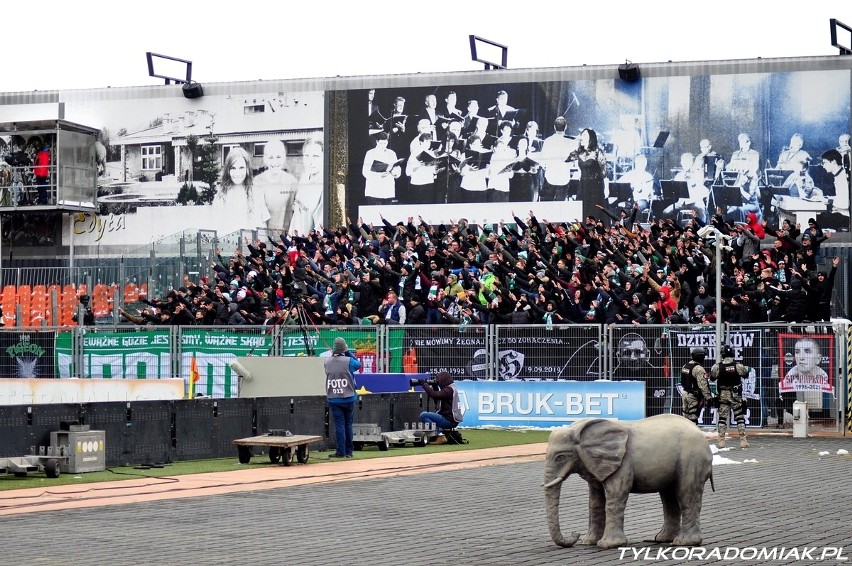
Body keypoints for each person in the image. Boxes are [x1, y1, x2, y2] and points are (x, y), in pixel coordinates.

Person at [213, 147, 269, 232]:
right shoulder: (221, 195)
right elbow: (217, 227)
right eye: (233, 168)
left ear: (247, 169)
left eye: (241, 168)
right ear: (228, 170)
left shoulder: (257, 193)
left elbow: (263, 226)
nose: (237, 173)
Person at [325, 337, 362, 459]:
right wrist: (348, 352)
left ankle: (340, 451)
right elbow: (358, 364)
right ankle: (349, 452)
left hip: (334, 397)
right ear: (344, 349)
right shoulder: (349, 361)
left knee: (339, 425)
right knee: (348, 425)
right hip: (349, 397)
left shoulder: (327, 362)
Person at [709, 345, 749, 448]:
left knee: (722, 418)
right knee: (739, 417)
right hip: (735, 395)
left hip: (723, 395)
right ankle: (743, 440)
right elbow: (745, 374)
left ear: (722, 354)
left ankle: (721, 440)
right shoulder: (738, 366)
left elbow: (712, 378)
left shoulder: (717, 367)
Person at [255, 140, 298, 232]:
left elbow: (295, 214)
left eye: (278, 157)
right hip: (262, 238)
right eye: (271, 157)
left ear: (284, 158)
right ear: (265, 159)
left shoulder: (292, 182)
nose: (275, 162)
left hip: (285, 238)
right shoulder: (257, 182)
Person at [569, 128, 608, 218]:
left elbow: (604, 171)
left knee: (595, 211)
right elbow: (567, 159)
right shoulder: (579, 152)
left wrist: (607, 188)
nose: (582, 136)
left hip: (596, 186)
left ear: (591, 138)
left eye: (585, 135)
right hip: (583, 185)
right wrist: (575, 143)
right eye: (581, 134)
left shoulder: (597, 152)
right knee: (582, 211)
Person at [289, 137, 324, 235]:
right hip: (295, 241)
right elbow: (296, 216)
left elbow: (319, 226)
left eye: (315, 156)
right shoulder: (304, 178)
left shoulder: (325, 186)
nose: (310, 161)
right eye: (307, 155)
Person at [418, 371, 463, 444]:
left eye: (438, 381)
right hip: (451, 419)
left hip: (449, 420)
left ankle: (440, 435)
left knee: (423, 415)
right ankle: (439, 434)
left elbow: (434, 395)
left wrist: (424, 384)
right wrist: (434, 386)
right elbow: (438, 398)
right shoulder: (452, 388)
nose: (438, 382)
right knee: (429, 414)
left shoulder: (449, 390)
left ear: (443, 380)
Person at [724, 133, 761, 223]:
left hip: (749, 181)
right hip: (737, 180)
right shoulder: (736, 154)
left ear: (748, 143)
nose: (741, 145)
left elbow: (754, 168)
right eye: (740, 142)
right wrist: (728, 167)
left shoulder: (754, 154)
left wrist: (745, 170)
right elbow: (730, 166)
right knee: (729, 207)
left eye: (743, 142)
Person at [538, 116, 576, 202]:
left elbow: (542, 161)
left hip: (550, 177)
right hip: (564, 178)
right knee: (560, 206)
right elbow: (573, 160)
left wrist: (546, 168)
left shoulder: (548, 141)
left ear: (554, 127)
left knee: (548, 206)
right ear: (566, 127)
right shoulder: (571, 142)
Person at [362, 132, 401, 205]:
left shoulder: (391, 153)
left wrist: (395, 173)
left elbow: (396, 168)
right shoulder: (370, 153)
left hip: (388, 188)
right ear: (377, 142)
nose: (383, 145)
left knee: (387, 213)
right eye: (381, 143)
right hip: (374, 189)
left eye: (385, 143)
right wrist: (378, 175)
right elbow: (365, 172)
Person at [680, 347, 714, 427]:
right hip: (693, 396)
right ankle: (692, 438)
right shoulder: (699, 369)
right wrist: (708, 398)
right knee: (693, 419)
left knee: (685, 417)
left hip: (685, 393)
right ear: (700, 357)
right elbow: (703, 385)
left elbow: (682, 381)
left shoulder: (685, 366)